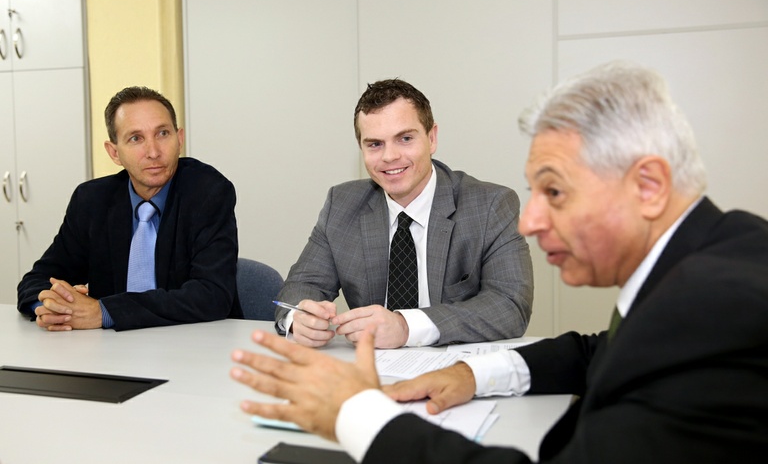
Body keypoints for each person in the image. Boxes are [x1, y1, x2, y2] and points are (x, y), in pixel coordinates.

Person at [230, 61, 768, 463]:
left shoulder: (717, 308)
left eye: (554, 192)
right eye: (374, 144)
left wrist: (357, 415)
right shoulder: (720, 254)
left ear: (648, 186)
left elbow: (512, 308)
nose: (532, 220)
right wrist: (471, 373)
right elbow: (598, 352)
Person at [276, 79, 533, 349]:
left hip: (455, 369)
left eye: (405, 138)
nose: (390, 156)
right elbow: (302, 284)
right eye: (375, 144)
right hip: (371, 369)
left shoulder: (490, 205)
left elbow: (510, 306)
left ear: (432, 138)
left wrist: (406, 327)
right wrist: (298, 318)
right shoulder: (341, 204)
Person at [17, 86, 241, 331]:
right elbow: (37, 280)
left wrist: (103, 312)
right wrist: (53, 306)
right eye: (136, 138)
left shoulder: (209, 193)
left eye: (163, 133)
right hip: (110, 352)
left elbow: (212, 295)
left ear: (180, 139)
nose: (154, 152)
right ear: (114, 152)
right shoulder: (91, 201)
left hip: (198, 348)